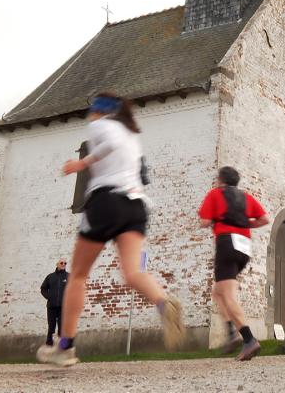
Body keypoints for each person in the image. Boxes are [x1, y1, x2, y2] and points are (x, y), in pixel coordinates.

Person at [37, 92, 184, 367]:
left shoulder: (102, 125)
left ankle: (65, 346)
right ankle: (164, 303)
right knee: (133, 272)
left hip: (106, 201)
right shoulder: (132, 135)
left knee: (78, 275)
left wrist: (83, 162)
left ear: (98, 110)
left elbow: (110, 144)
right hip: (136, 206)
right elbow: (143, 174)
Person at [198, 166, 269, 361]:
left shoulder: (215, 194)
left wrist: (211, 219)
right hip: (244, 247)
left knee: (227, 294)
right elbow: (264, 219)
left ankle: (248, 339)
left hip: (226, 243)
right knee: (218, 291)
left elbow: (204, 222)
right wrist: (247, 224)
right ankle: (232, 334)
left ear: (221, 180)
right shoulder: (246, 197)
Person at [40, 260, 69, 346]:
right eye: (61, 263)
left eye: (65, 263)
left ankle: (63, 346)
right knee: (51, 327)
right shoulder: (50, 277)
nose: (63, 264)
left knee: (62, 327)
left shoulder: (69, 276)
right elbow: (43, 289)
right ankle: (49, 345)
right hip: (51, 306)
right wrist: (49, 297)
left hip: (63, 307)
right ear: (57, 265)